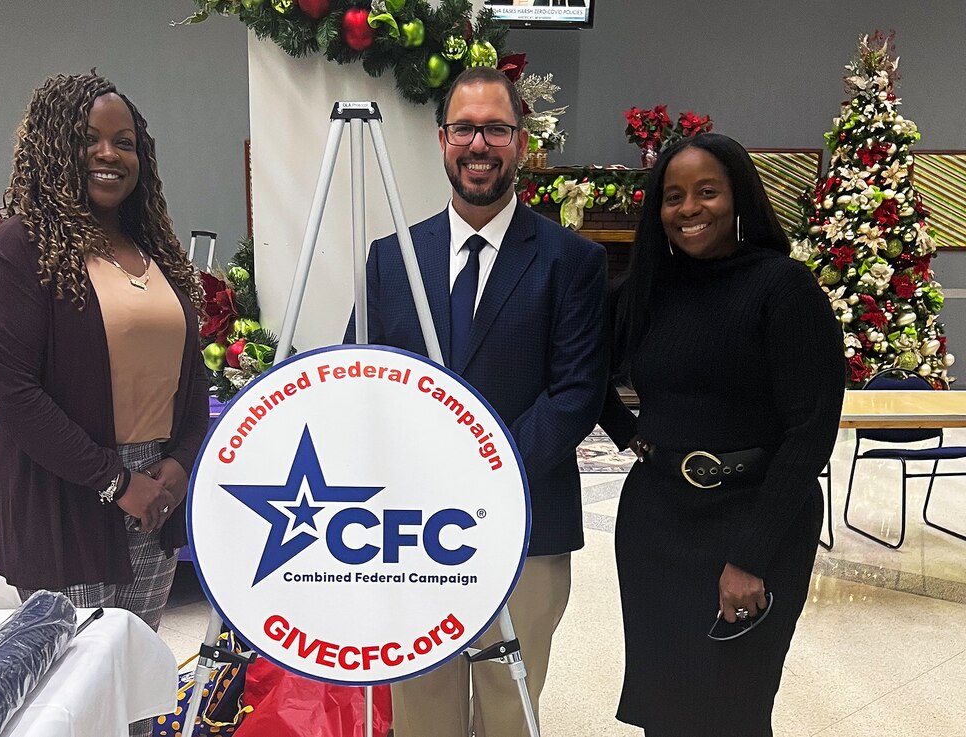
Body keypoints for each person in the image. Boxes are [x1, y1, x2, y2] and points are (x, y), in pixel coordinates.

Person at [346, 66, 609, 737]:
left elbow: (576, 393)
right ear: (442, 140)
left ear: (520, 141)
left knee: (506, 710)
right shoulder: (389, 258)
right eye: (465, 127)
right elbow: (361, 382)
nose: (479, 143)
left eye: (496, 128)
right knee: (423, 708)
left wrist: (480, 472)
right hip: (411, 531)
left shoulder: (570, 261)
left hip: (526, 528)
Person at [0, 72, 207, 734]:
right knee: (72, 693)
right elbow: (13, 394)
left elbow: (192, 374)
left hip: (154, 493)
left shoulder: (154, 252)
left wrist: (179, 464)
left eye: (124, 142)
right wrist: (114, 480)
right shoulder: (18, 250)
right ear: (52, 145)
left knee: (131, 676)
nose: (110, 154)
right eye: (89, 139)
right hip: (67, 493)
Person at [598, 133, 845, 736]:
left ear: (738, 199)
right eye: (673, 195)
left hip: (754, 520)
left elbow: (809, 434)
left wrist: (750, 557)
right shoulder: (646, 290)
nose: (689, 208)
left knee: (732, 707)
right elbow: (584, 377)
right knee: (664, 703)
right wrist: (636, 437)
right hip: (656, 520)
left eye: (707, 192)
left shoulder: (783, 289)